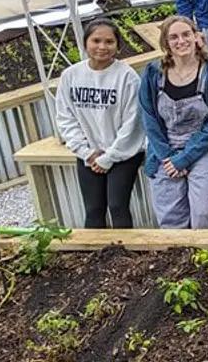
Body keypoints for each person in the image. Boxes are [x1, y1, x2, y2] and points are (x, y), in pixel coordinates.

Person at [56, 19, 145, 229]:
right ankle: (94, 256)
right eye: (96, 40)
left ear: (117, 46)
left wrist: (109, 156)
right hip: (89, 153)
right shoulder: (70, 76)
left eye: (109, 41)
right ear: (85, 42)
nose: (102, 47)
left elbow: (133, 123)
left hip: (123, 153)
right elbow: (65, 117)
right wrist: (85, 151)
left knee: (117, 206)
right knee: (93, 209)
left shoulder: (127, 77)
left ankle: (125, 256)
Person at [138, 16, 208, 229]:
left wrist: (184, 158)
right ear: (166, 43)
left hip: (203, 149)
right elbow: (149, 118)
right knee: (171, 218)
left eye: (186, 34)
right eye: (173, 37)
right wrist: (168, 157)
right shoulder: (153, 73)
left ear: (196, 37)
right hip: (164, 151)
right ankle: (179, 260)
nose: (181, 41)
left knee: (203, 214)